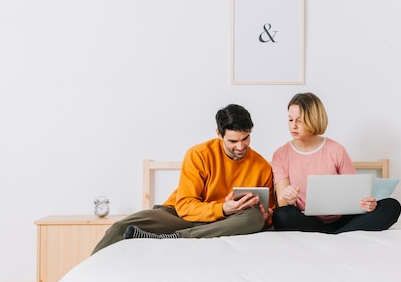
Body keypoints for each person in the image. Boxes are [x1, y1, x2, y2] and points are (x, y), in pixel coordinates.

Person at [92, 104, 274, 254]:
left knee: (254, 218)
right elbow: (185, 206)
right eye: (233, 141)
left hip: (225, 223)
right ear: (219, 134)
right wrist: (222, 208)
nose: (241, 146)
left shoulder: (262, 167)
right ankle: (88, 274)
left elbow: (268, 212)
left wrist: (265, 216)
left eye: (245, 138)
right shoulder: (199, 154)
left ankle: (175, 238)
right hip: (180, 216)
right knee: (120, 228)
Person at [271, 92, 401, 233]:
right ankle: (340, 234)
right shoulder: (281, 155)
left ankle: (333, 233)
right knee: (281, 216)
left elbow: (355, 192)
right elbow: (282, 203)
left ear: (313, 119)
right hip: (306, 219)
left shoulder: (335, 150)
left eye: (300, 120)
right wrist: (288, 198)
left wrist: (368, 204)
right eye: (290, 120)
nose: (293, 126)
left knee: (392, 206)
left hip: (342, 218)